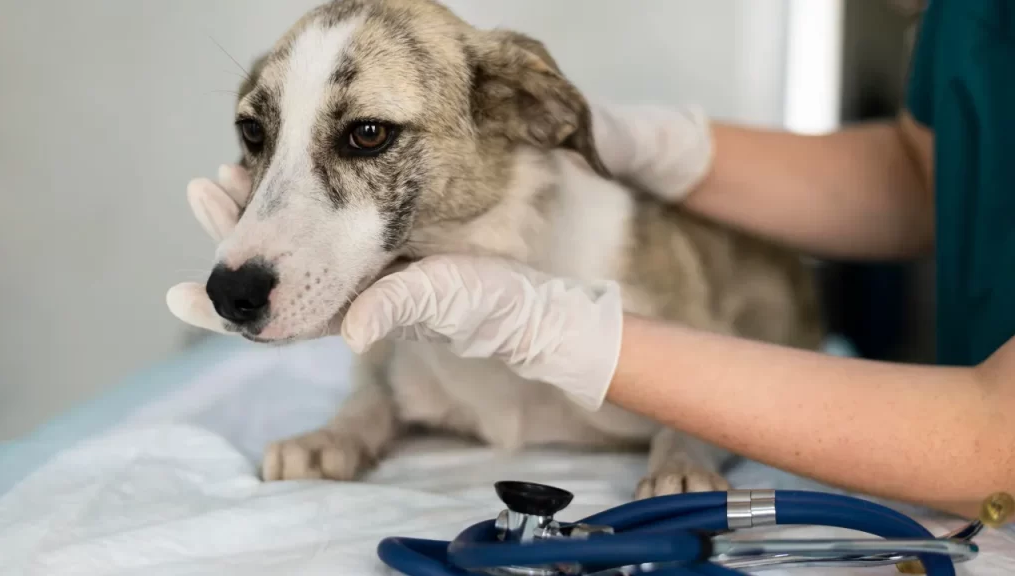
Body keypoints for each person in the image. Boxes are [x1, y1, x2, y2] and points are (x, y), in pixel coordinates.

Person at [173, 1, 1014, 519]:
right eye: (259, 132)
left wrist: (570, 341)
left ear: (515, 109)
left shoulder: (625, 253)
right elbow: (933, 173)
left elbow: (995, 440)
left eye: (366, 136)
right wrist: (678, 148)